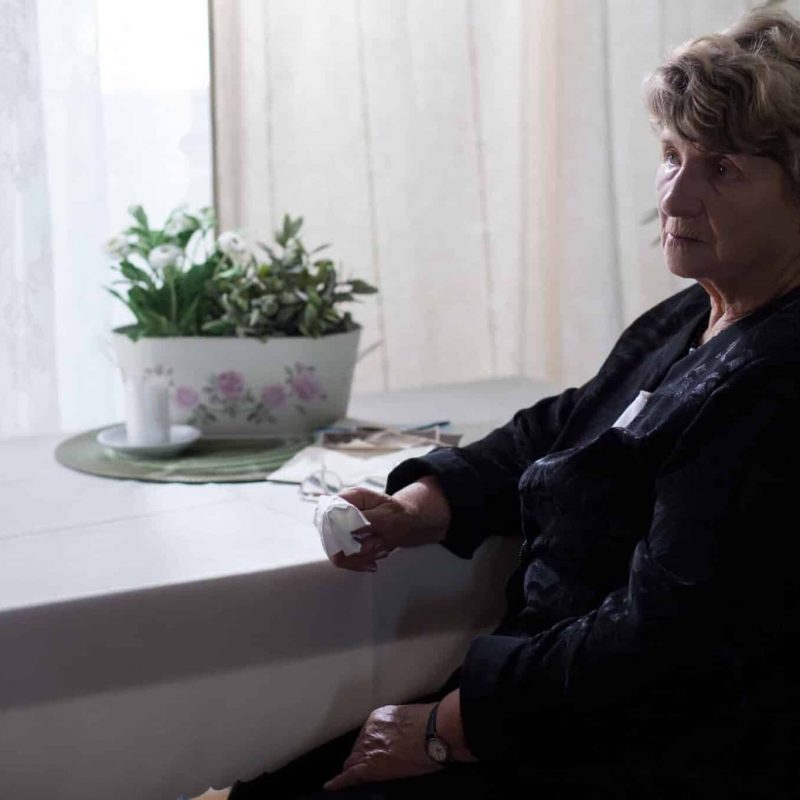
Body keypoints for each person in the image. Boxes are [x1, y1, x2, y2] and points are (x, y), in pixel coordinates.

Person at [189, 6, 800, 798]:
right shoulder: (700, 311)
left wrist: (449, 731)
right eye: (671, 155)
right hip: (541, 700)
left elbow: (663, 642)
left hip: (628, 747)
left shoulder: (778, 381)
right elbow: (563, 428)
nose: (675, 198)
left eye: (722, 170)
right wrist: (421, 502)